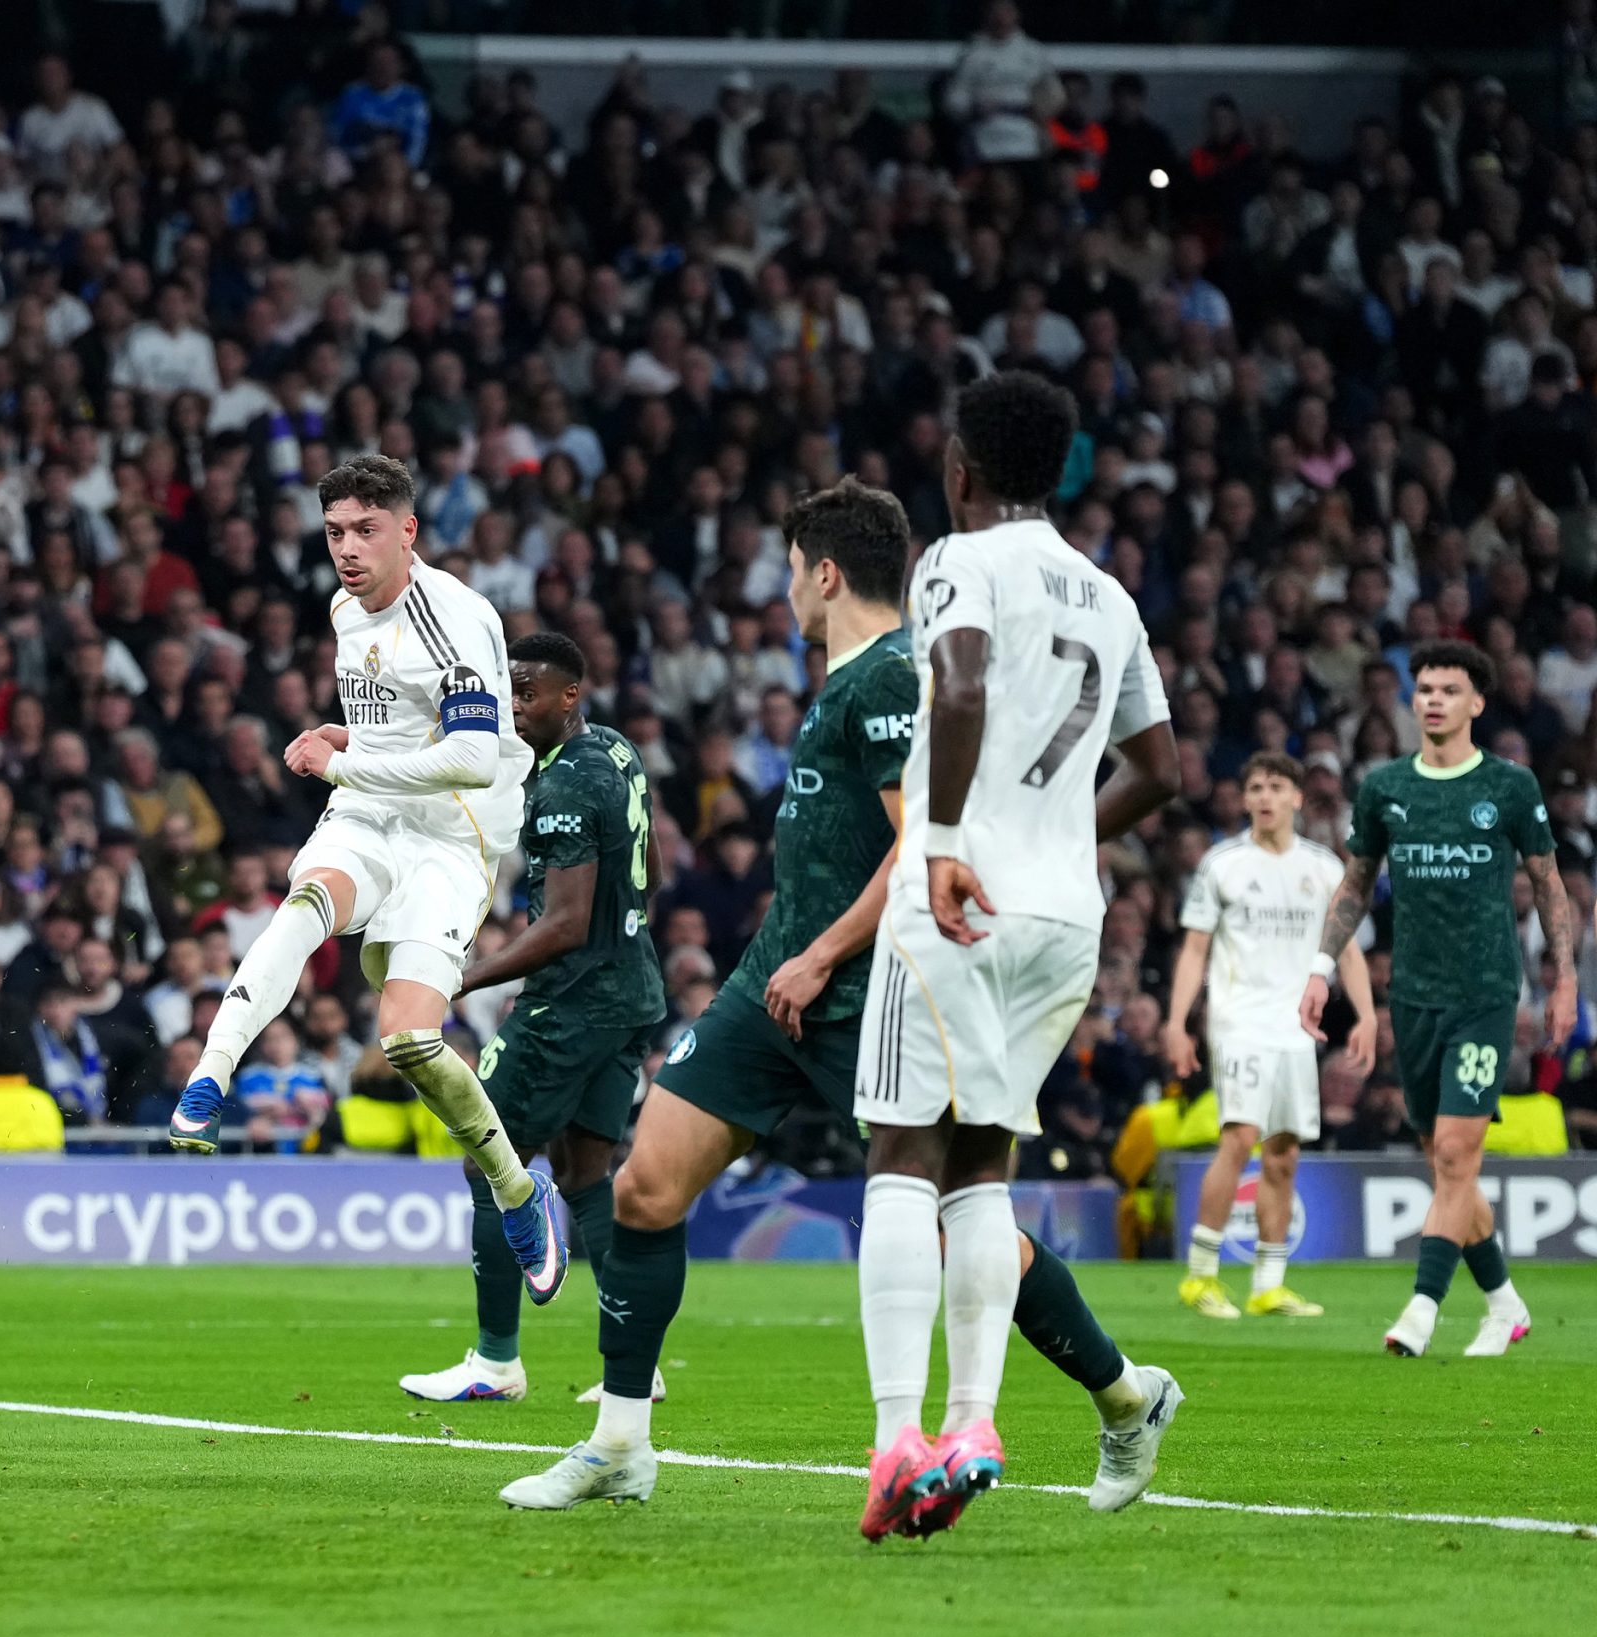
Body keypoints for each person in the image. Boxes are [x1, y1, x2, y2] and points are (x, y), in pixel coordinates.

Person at [499, 479, 1172, 1517]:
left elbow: (918, 842)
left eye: (787, 570)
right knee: (643, 1190)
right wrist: (794, 955)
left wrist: (820, 956)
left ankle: (1125, 1396)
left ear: (822, 572)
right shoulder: (849, 678)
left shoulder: (892, 677)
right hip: (772, 981)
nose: (784, 592)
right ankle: (620, 1443)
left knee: (961, 1232)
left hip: (876, 983)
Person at [852, 374, 1179, 1541]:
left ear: (960, 470)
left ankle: (899, 1439)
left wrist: (938, 843)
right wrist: (1054, 844)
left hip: (956, 893)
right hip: (1060, 915)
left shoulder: (956, 558)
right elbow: (1161, 770)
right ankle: (974, 1422)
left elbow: (964, 675)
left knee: (900, 1149)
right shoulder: (1108, 594)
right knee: (977, 1166)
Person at [166, 454, 566, 1298]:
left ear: (407, 530)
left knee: (410, 1041)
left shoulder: (454, 617)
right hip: (372, 818)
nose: (347, 548)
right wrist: (345, 737)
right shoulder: (347, 609)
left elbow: (464, 755)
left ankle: (516, 1190)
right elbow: (392, 724)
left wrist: (343, 767)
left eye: (366, 530)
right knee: (308, 898)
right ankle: (211, 1073)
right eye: (335, 532)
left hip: (453, 838)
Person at [399, 630, 662, 1404]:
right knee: (586, 1173)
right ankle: (635, 1368)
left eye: (529, 692)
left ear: (569, 695)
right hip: (629, 991)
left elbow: (565, 921)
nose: (515, 705)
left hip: (571, 1004)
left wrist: (463, 977)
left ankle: (494, 1361)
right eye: (508, 690)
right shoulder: (614, 751)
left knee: (490, 1159)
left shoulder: (564, 787)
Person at [1302, 641, 1575, 1357]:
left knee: (1456, 1149)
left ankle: (1421, 1309)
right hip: (1413, 996)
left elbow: (1549, 885)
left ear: (1477, 703)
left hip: (1486, 991)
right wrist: (1319, 966)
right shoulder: (1387, 785)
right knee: (1444, 1158)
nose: (1433, 699)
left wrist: (1565, 979)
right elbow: (1355, 883)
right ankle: (1506, 1303)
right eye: (1424, 688)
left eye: (1449, 689)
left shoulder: (1511, 787)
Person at [1164, 752, 1377, 1321]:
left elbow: (1346, 949)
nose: (1263, 796)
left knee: (1282, 1153)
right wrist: (1177, 1021)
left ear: (1297, 798)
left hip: (1295, 1028)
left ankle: (1268, 1283)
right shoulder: (1222, 863)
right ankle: (1202, 1276)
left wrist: (1366, 1013)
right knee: (1239, 1137)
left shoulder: (1324, 867)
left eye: (1276, 786)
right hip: (1238, 1021)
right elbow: (1194, 950)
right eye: (1254, 786)